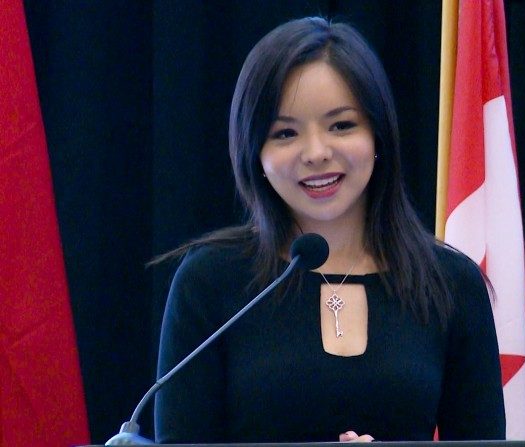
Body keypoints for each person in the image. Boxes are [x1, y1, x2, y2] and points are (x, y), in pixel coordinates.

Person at [154, 16, 505, 443]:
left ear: (378, 136)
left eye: (341, 125)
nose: (316, 153)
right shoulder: (210, 281)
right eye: (285, 133)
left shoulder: (451, 284)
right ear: (254, 152)